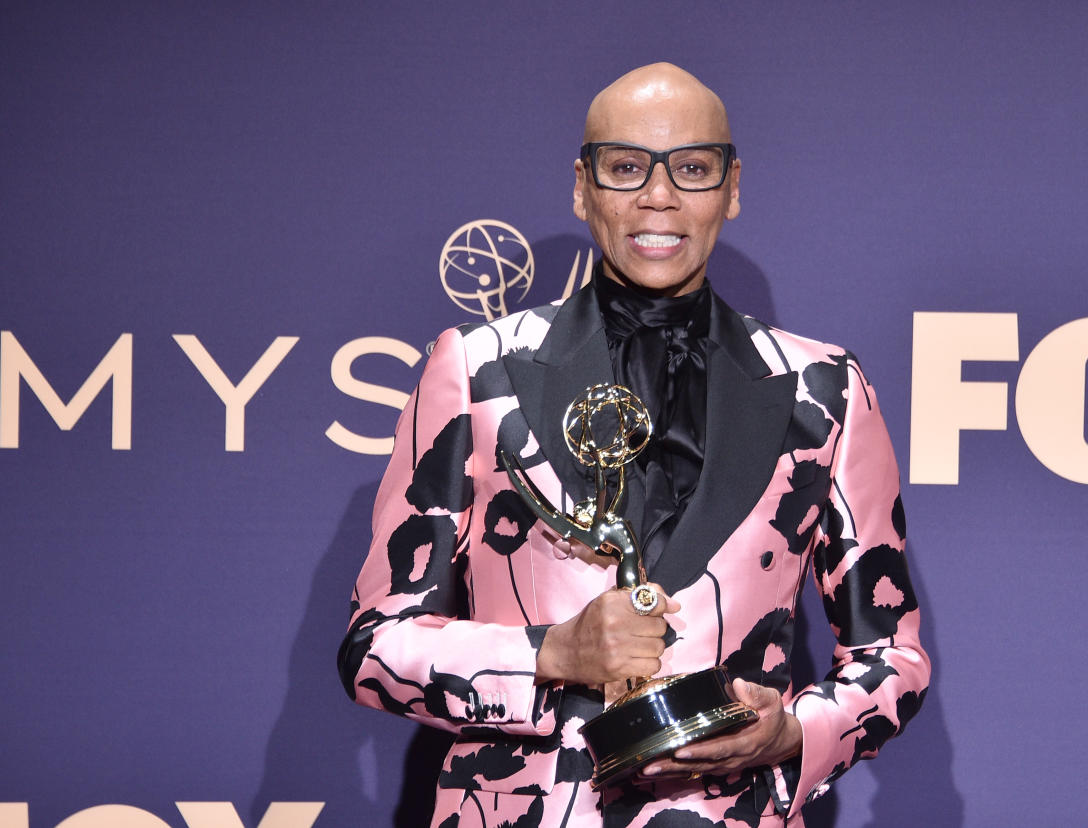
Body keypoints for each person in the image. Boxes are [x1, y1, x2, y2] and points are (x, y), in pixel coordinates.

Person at [338, 62, 929, 827]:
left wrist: (791, 733)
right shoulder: (476, 369)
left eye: (691, 168)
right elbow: (373, 646)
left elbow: (894, 657)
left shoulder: (825, 388)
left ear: (732, 187)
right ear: (583, 187)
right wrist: (554, 653)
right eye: (626, 168)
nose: (659, 196)